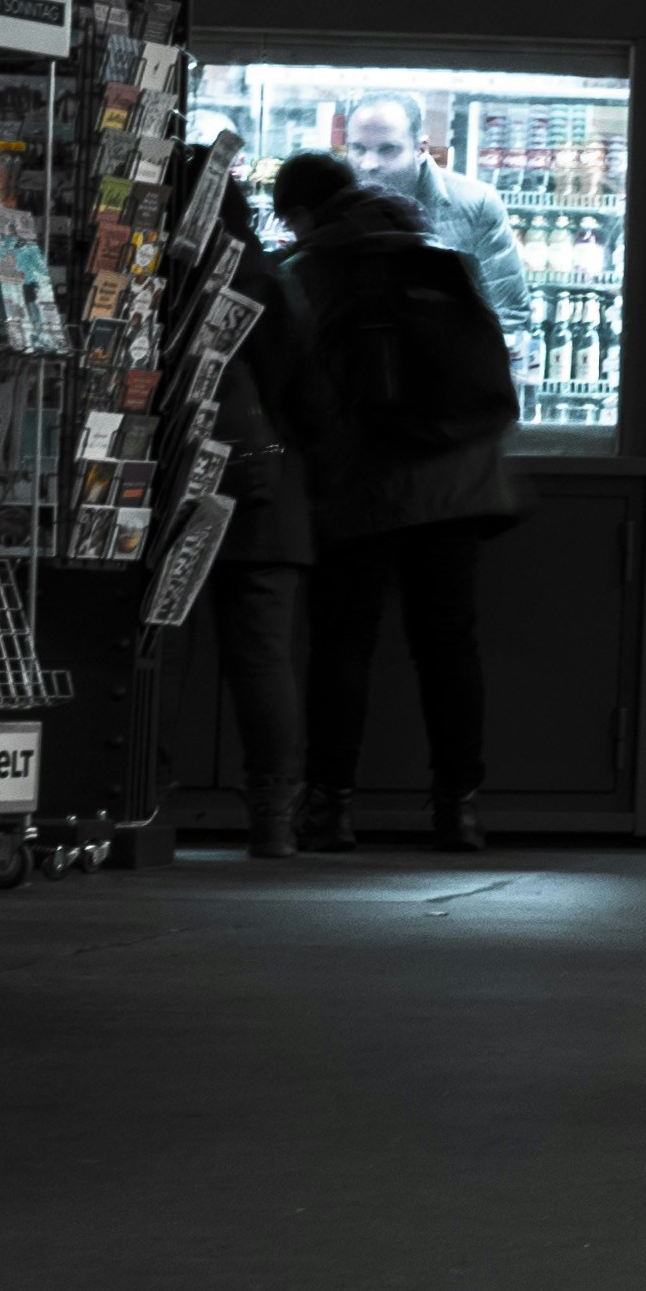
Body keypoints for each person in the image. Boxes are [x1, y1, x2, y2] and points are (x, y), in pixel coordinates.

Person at [277, 152, 523, 853]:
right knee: (448, 647)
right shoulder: (444, 257)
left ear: (300, 214)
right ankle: (459, 809)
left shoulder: (308, 274)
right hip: (460, 483)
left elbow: (300, 391)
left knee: (342, 645)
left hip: (365, 485)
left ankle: (330, 806)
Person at [202, 152, 327, 852]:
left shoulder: (167, 279)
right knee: (261, 658)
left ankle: (141, 796)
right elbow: (306, 395)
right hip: (265, 494)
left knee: (153, 649)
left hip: (172, 491)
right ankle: (273, 817)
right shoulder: (270, 281)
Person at [336, 94, 532, 344]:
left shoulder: (476, 204)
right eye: (358, 148)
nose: (369, 164)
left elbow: (509, 315)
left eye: (388, 149)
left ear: (421, 149)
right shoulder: (333, 204)